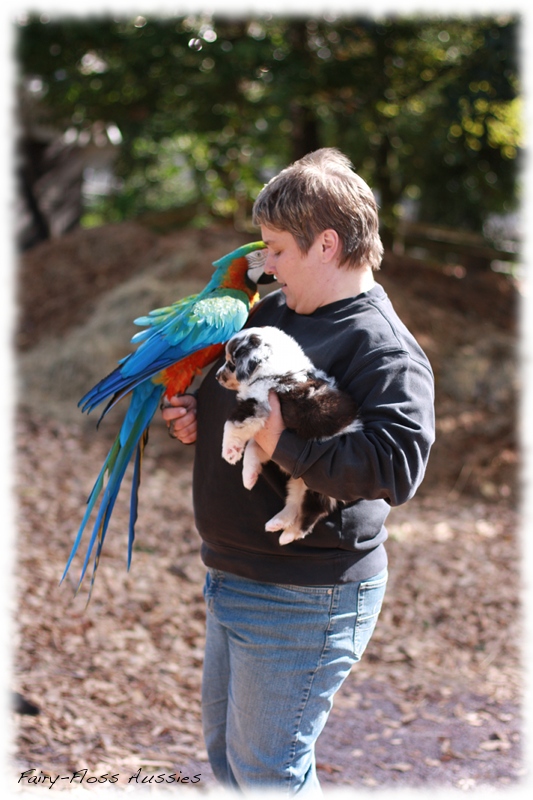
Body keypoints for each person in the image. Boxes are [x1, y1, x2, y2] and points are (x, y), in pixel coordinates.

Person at [161, 148, 435, 794]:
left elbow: (393, 468)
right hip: (232, 575)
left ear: (327, 245)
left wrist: (284, 444)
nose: (266, 265)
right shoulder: (274, 313)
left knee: (267, 775)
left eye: (277, 250)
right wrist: (195, 420)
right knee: (233, 765)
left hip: (306, 594)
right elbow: (240, 402)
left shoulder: (383, 348)